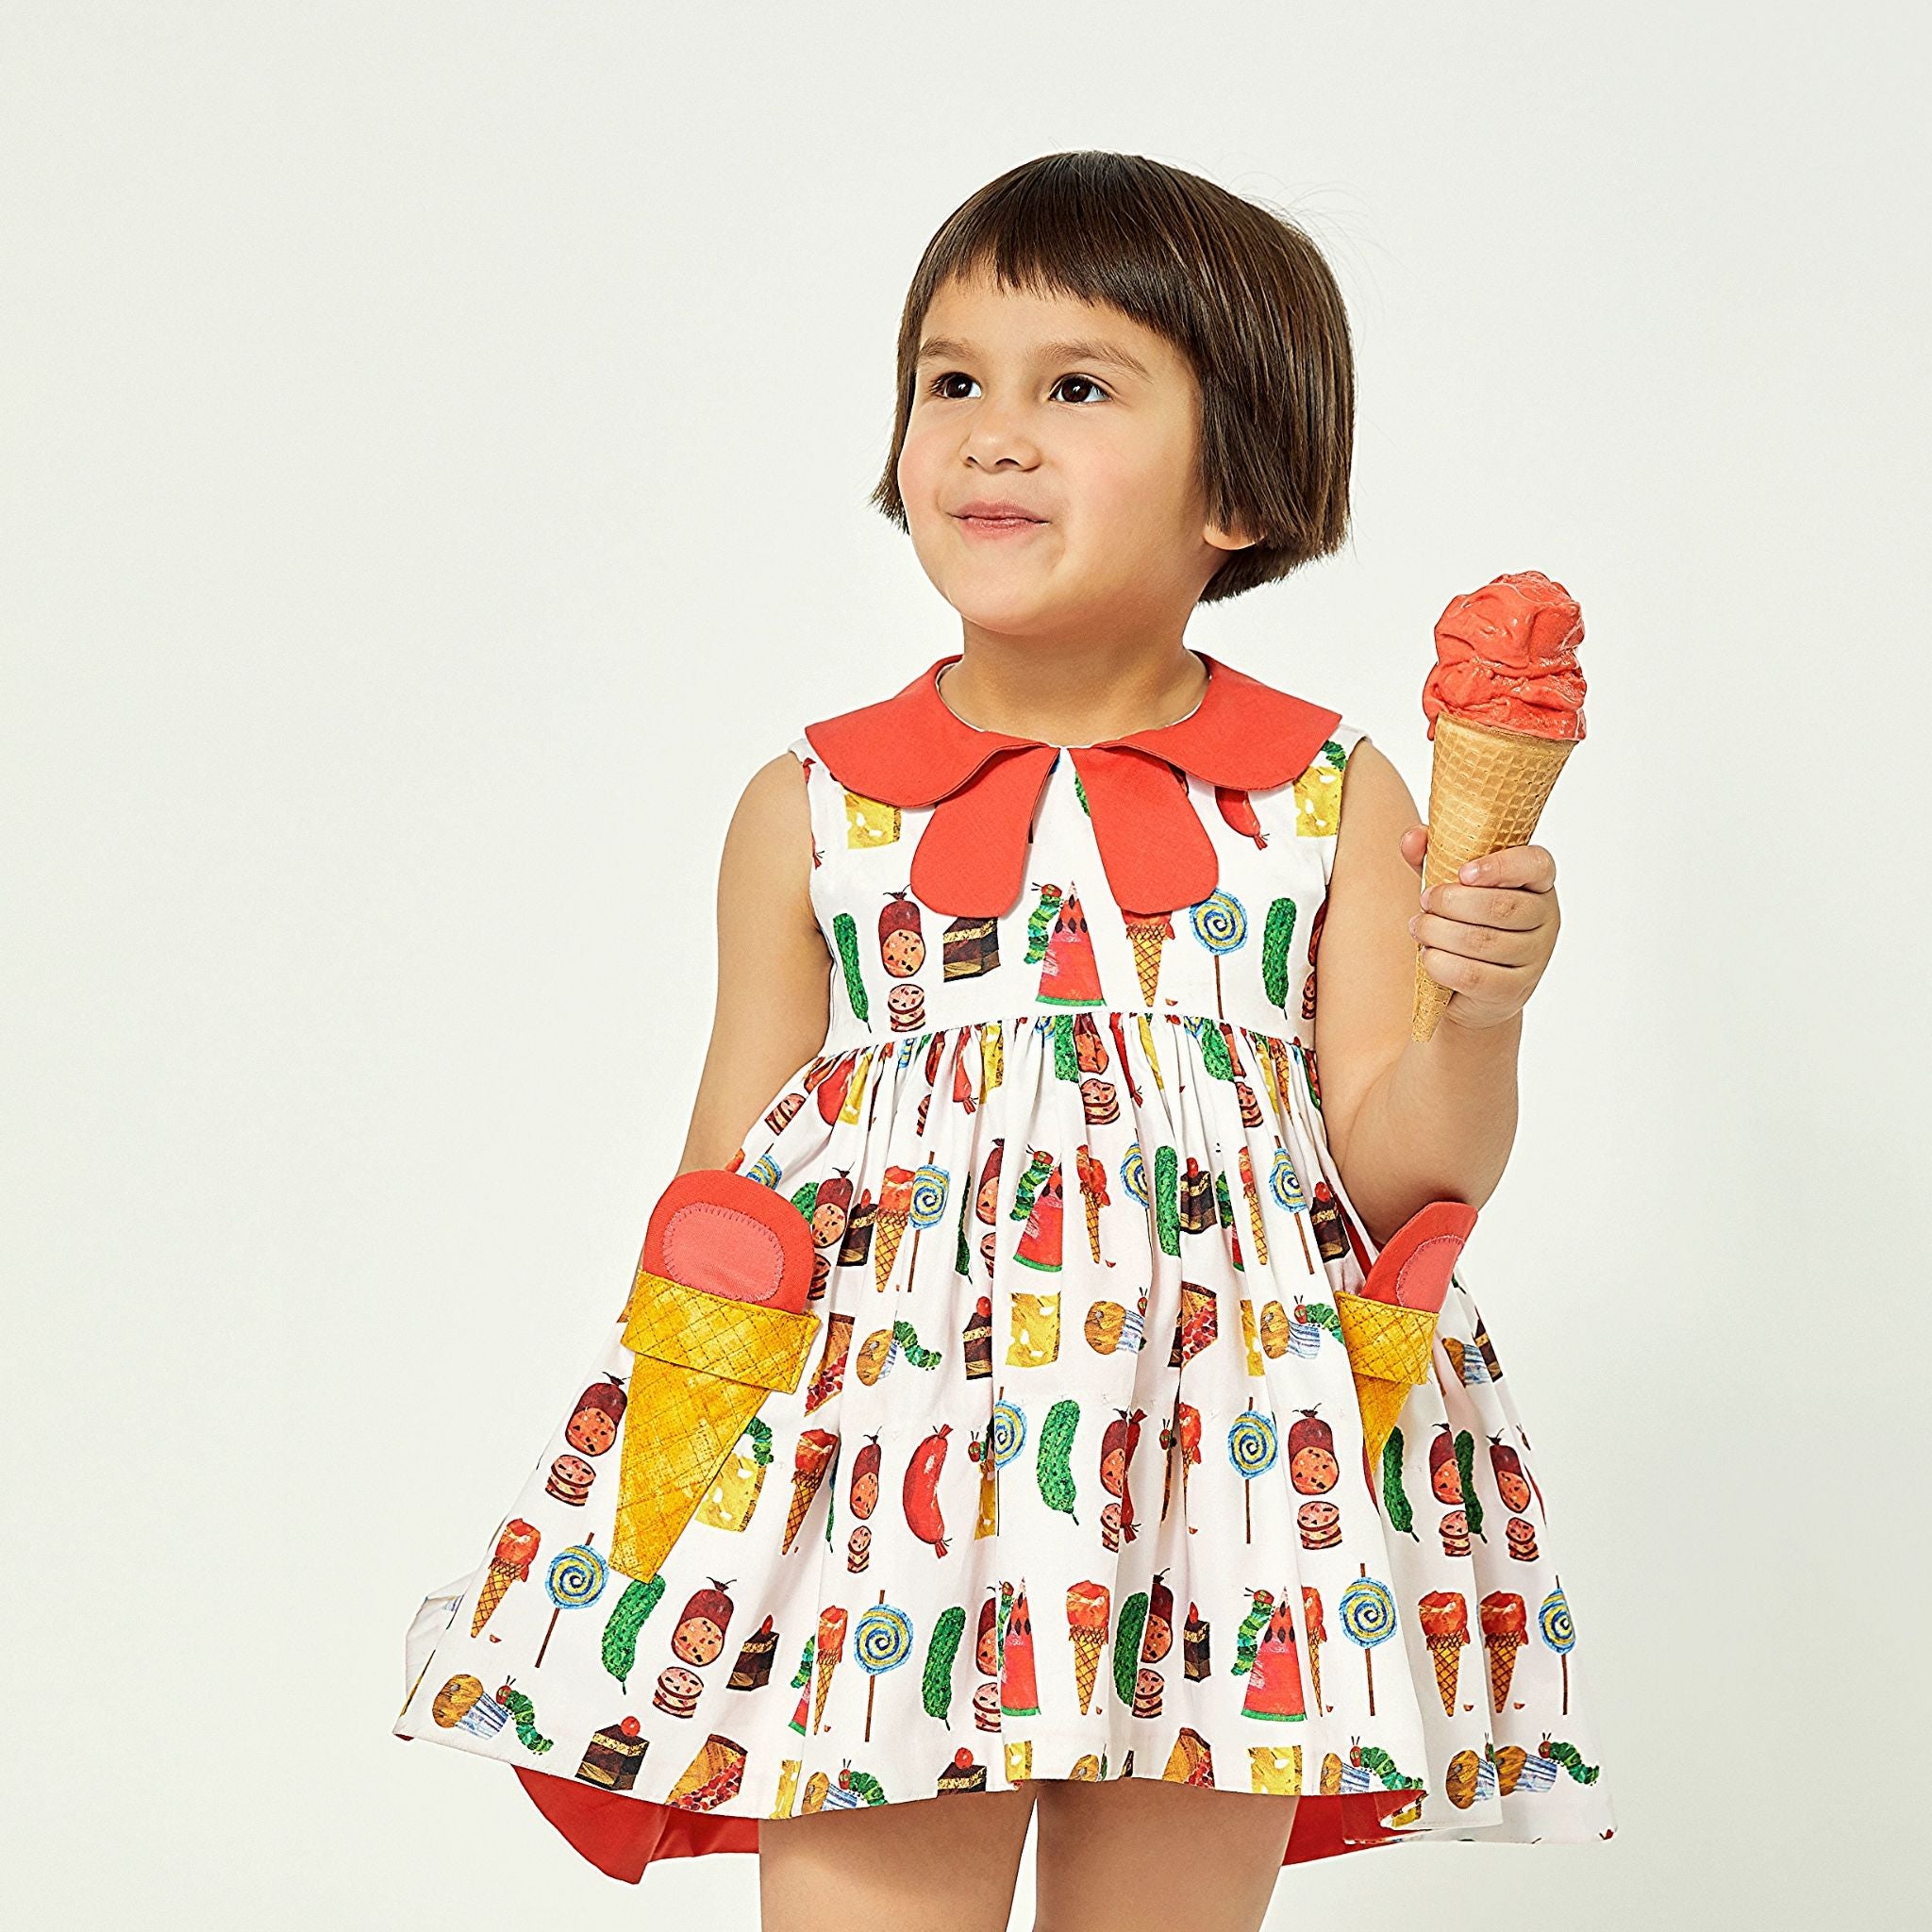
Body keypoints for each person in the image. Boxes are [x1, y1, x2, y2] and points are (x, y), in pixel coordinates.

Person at [394, 150, 1615, 1931]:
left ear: (1245, 490)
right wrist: (662, 1494)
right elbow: (724, 1194)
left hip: (1226, 1492)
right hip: (880, 1482)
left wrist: (1479, 1006)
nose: (990, 432)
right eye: (952, 380)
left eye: (1078, 388)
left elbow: (1406, 1171)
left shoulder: (1333, 799)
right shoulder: (805, 808)